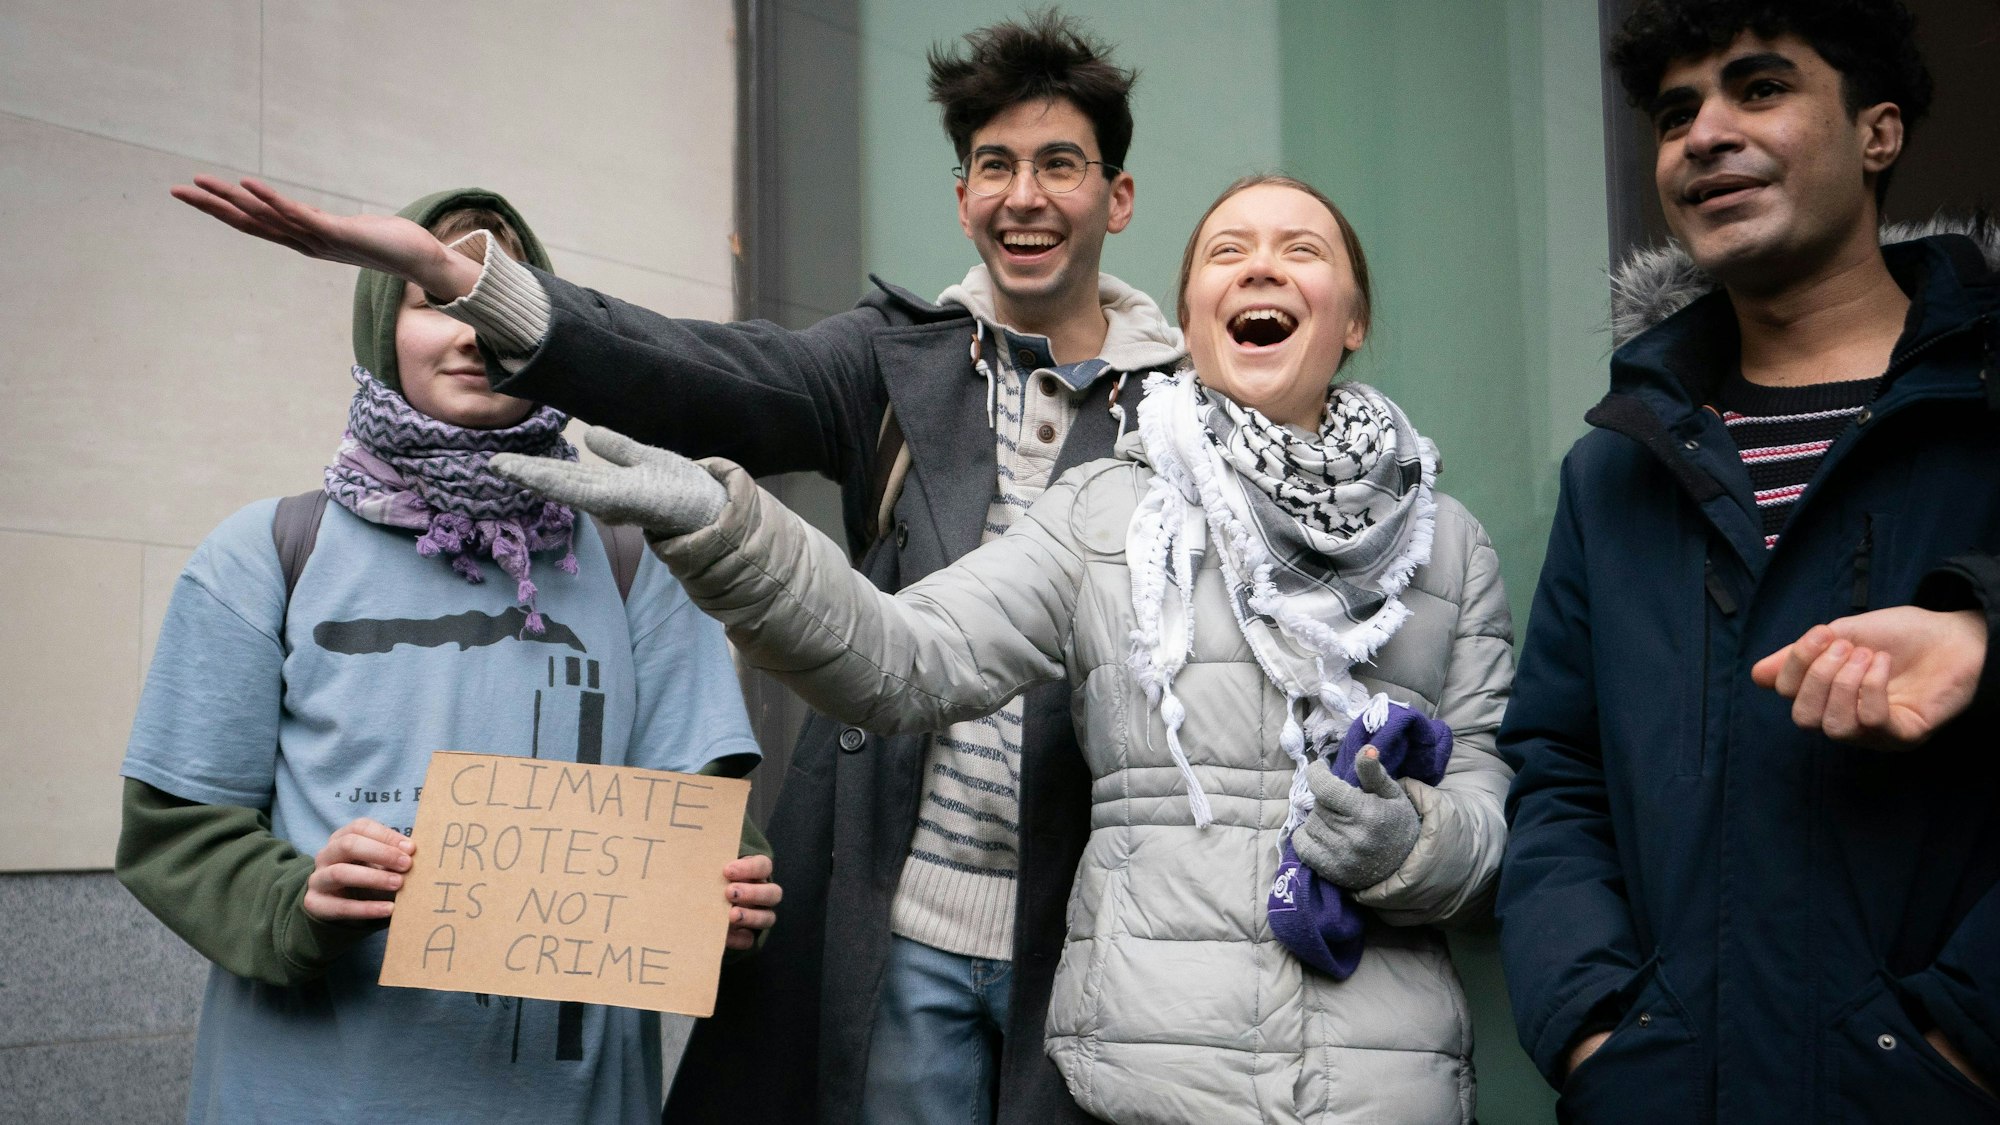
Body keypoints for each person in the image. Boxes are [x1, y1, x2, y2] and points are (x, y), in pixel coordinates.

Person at [170, 14, 1182, 1123]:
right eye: (994, 165)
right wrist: (467, 282)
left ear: (1115, 197)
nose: (1022, 196)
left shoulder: (1188, 413)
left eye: (1057, 165)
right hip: (903, 934)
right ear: (960, 196)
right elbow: (693, 369)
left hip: (1092, 929)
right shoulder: (891, 364)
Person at [493, 174, 1516, 1125]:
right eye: (1224, 252)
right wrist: (722, 527)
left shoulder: (1446, 545)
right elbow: (905, 657)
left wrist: (1407, 846)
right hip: (1149, 1085)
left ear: (1354, 318)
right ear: (1193, 321)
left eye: (1299, 249)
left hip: (1388, 1091)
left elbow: (1487, 825)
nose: (1257, 267)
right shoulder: (1107, 514)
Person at [116, 188, 777, 1125]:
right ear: (385, 324)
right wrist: (297, 896)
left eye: (499, 295)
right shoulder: (264, 555)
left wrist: (726, 900)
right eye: (436, 297)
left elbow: (706, 813)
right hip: (309, 1093)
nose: (472, 328)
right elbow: (174, 832)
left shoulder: (633, 564)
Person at [1496, 0, 2000, 1119]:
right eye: (1675, 113)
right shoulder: (1613, 469)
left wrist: (1958, 1045)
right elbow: (1556, 776)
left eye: (1758, 88)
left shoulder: (1983, 408)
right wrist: (1594, 1032)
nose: (1704, 134)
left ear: (1875, 132)